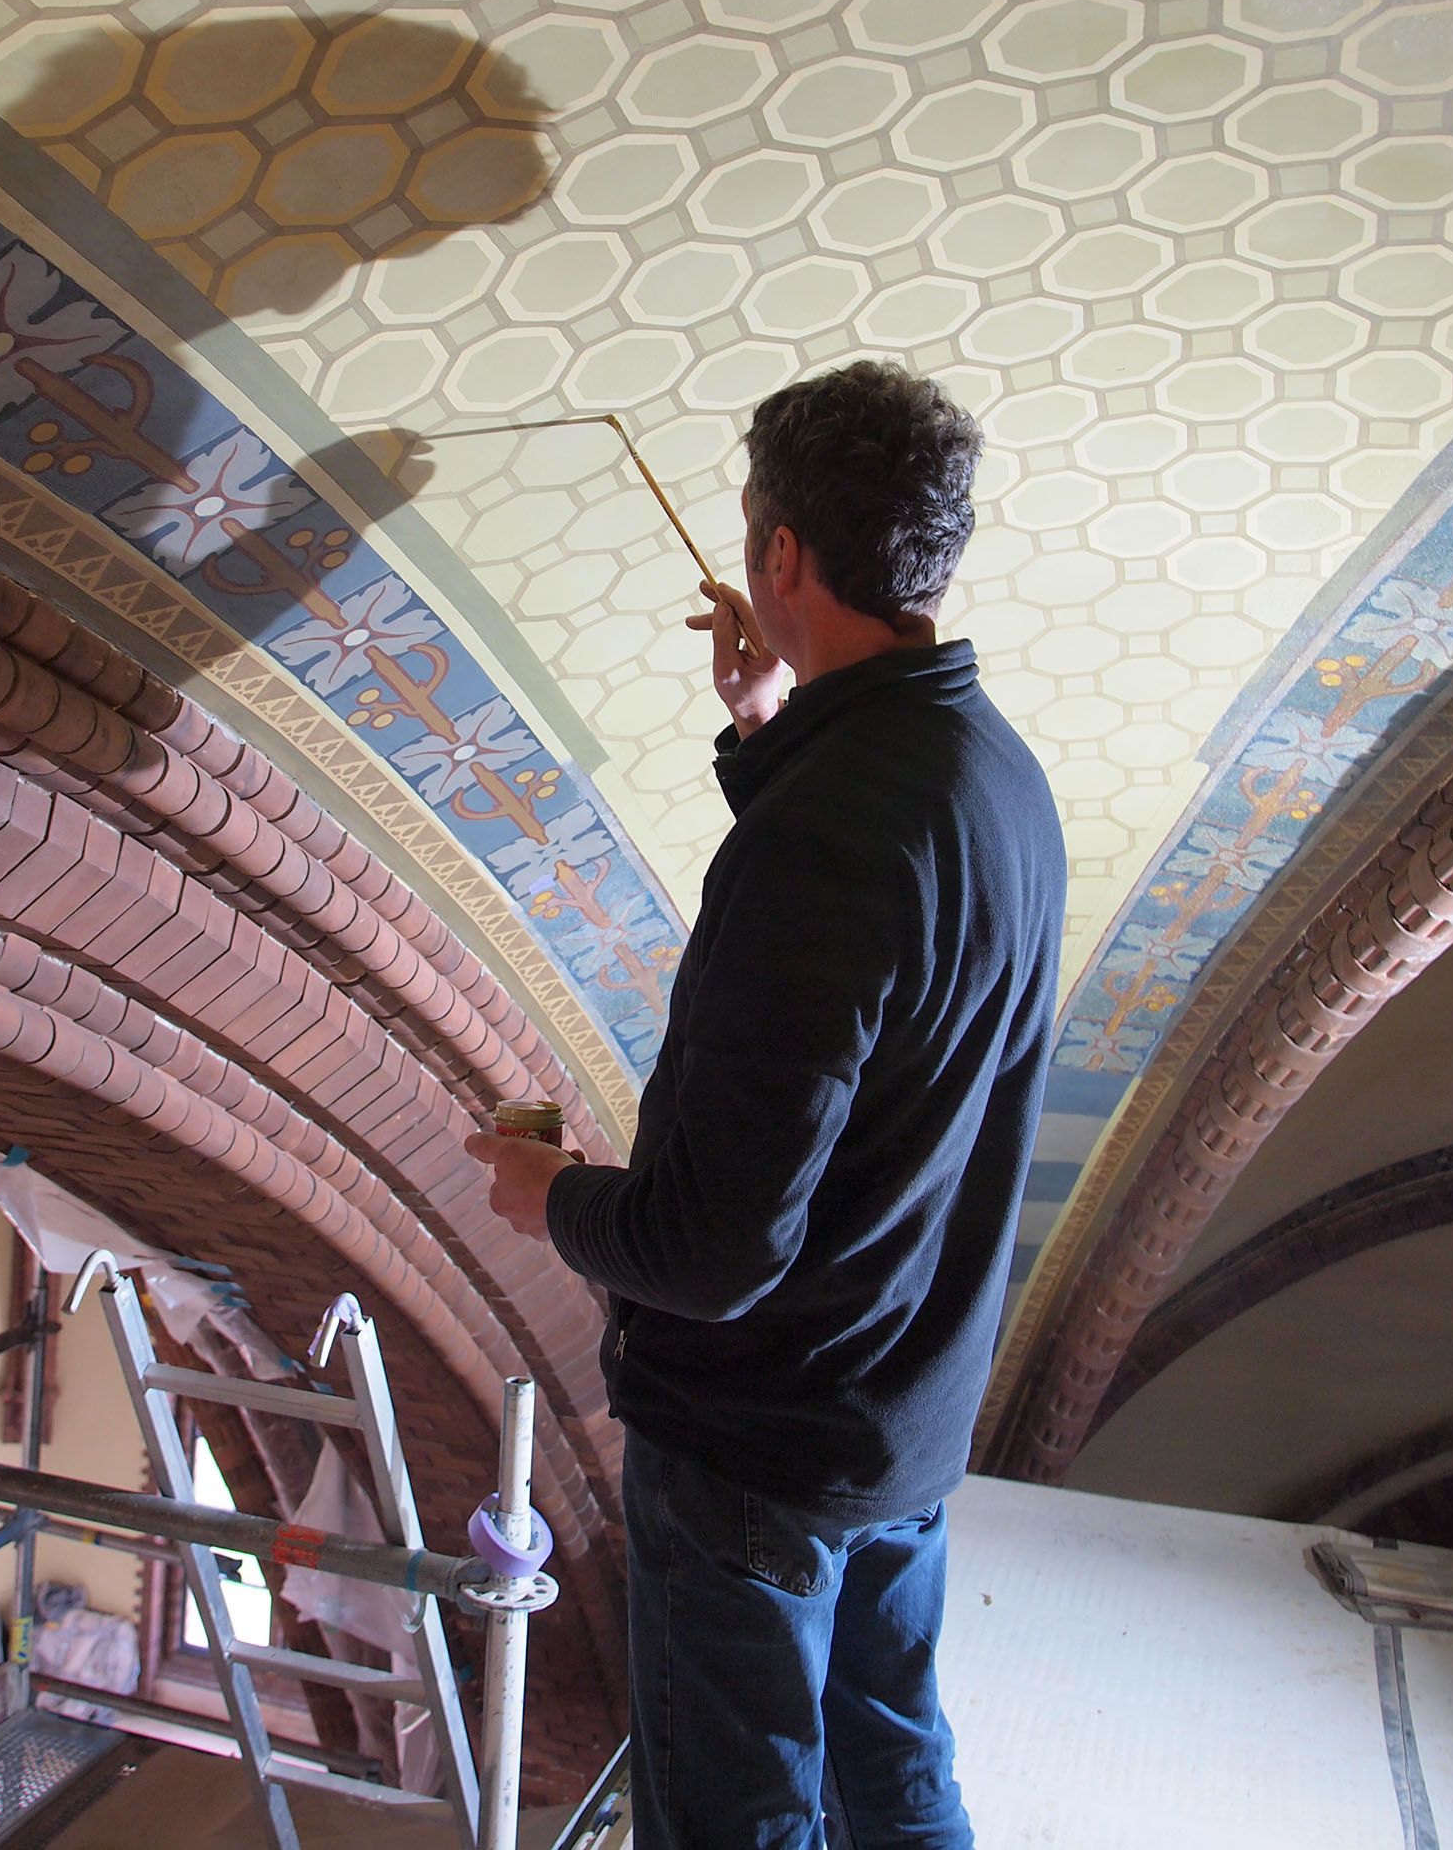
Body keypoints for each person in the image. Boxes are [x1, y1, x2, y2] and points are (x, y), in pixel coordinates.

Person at [467, 361, 1065, 1849]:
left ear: (781, 554)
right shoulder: (991, 772)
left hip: (760, 1448)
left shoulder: (827, 842)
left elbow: (713, 1253)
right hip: (899, 1417)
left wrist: (554, 1199)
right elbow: (871, 942)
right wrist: (760, 724)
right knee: (894, 1778)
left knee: (740, 1821)